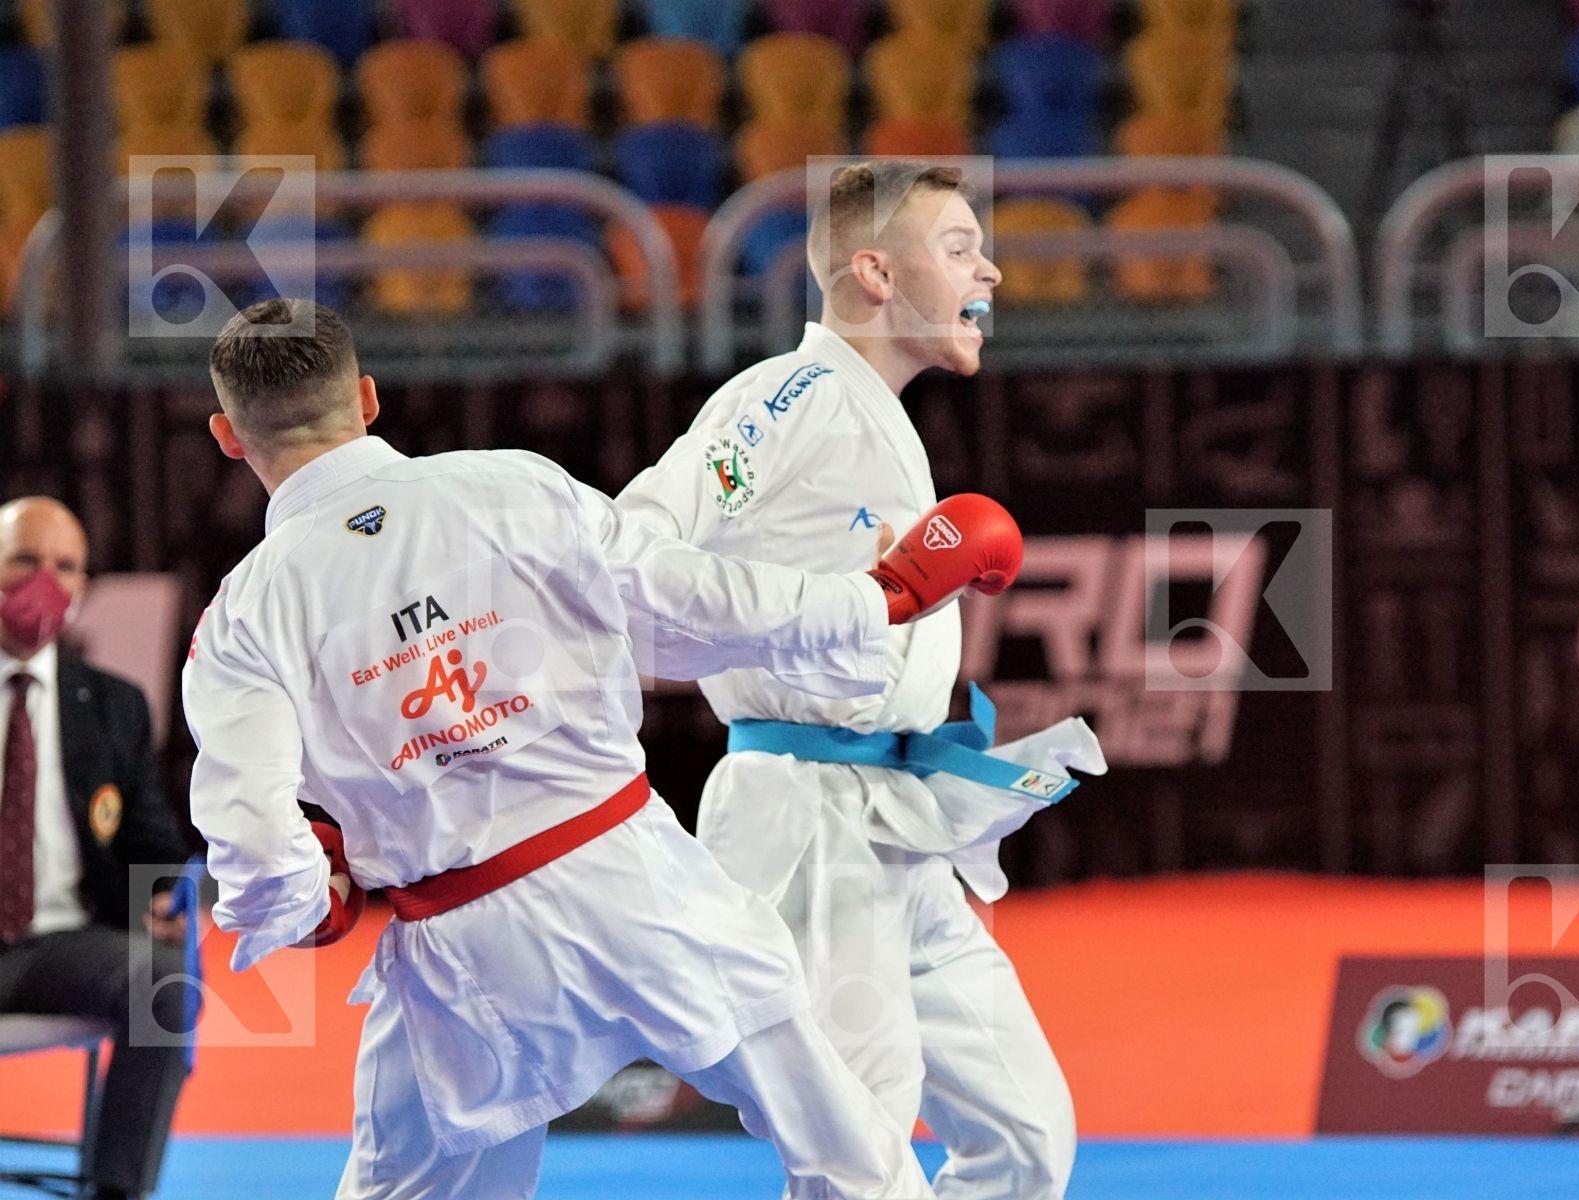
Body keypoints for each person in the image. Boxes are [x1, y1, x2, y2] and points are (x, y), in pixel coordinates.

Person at [183, 299, 1022, 1199]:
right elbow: (689, 599)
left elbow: (252, 830)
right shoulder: (514, 488)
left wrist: (305, 901)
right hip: (637, 882)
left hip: (461, 951)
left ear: (229, 436)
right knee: (849, 1153)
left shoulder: (239, 619)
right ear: (370, 399)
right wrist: (876, 601)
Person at [617, 161, 1105, 1198]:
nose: (995, 272)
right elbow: (634, 554)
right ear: (876, 273)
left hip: (902, 814)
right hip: (808, 822)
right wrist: (832, 609)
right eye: (963, 248)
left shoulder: (874, 414)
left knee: (1027, 1138)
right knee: (862, 1155)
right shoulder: (785, 396)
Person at [0, 496, 194, 1200]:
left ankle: (117, 1193)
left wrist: (162, 899)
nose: (44, 581)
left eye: (65, 567)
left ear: (83, 588)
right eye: (25, 560)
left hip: (61, 942)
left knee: (165, 983)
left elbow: (152, 839)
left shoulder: (113, 705)